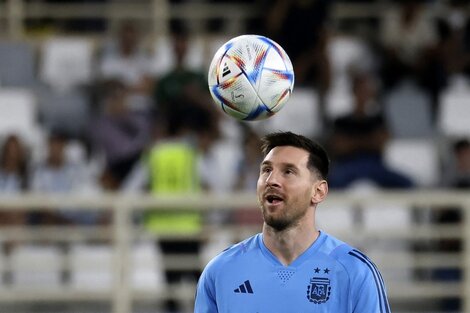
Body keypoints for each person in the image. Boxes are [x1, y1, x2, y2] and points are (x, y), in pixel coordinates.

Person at [194, 131, 391, 312]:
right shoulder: (220, 271)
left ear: (318, 191)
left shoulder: (355, 272)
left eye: (288, 171)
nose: (272, 180)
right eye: (266, 170)